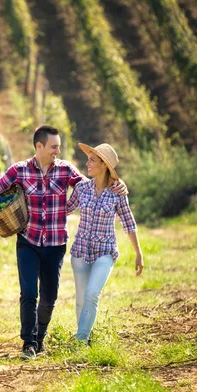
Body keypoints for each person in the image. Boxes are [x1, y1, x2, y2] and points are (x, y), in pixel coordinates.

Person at [0, 125, 127, 360]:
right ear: (39, 146)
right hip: (28, 241)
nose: (57, 151)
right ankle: (29, 343)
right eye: (53, 147)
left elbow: (92, 185)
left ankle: (40, 337)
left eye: (58, 147)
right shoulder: (19, 171)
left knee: (49, 297)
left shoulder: (65, 170)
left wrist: (118, 184)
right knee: (29, 293)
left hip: (55, 244)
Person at [66, 143, 143, 345]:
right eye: (88, 159)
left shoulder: (118, 192)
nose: (87, 163)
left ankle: (80, 341)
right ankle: (84, 338)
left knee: (92, 294)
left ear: (104, 165)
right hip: (80, 250)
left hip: (105, 251)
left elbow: (128, 222)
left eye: (92, 160)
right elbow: (64, 210)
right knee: (81, 298)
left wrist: (138, 253)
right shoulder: (82, 188)